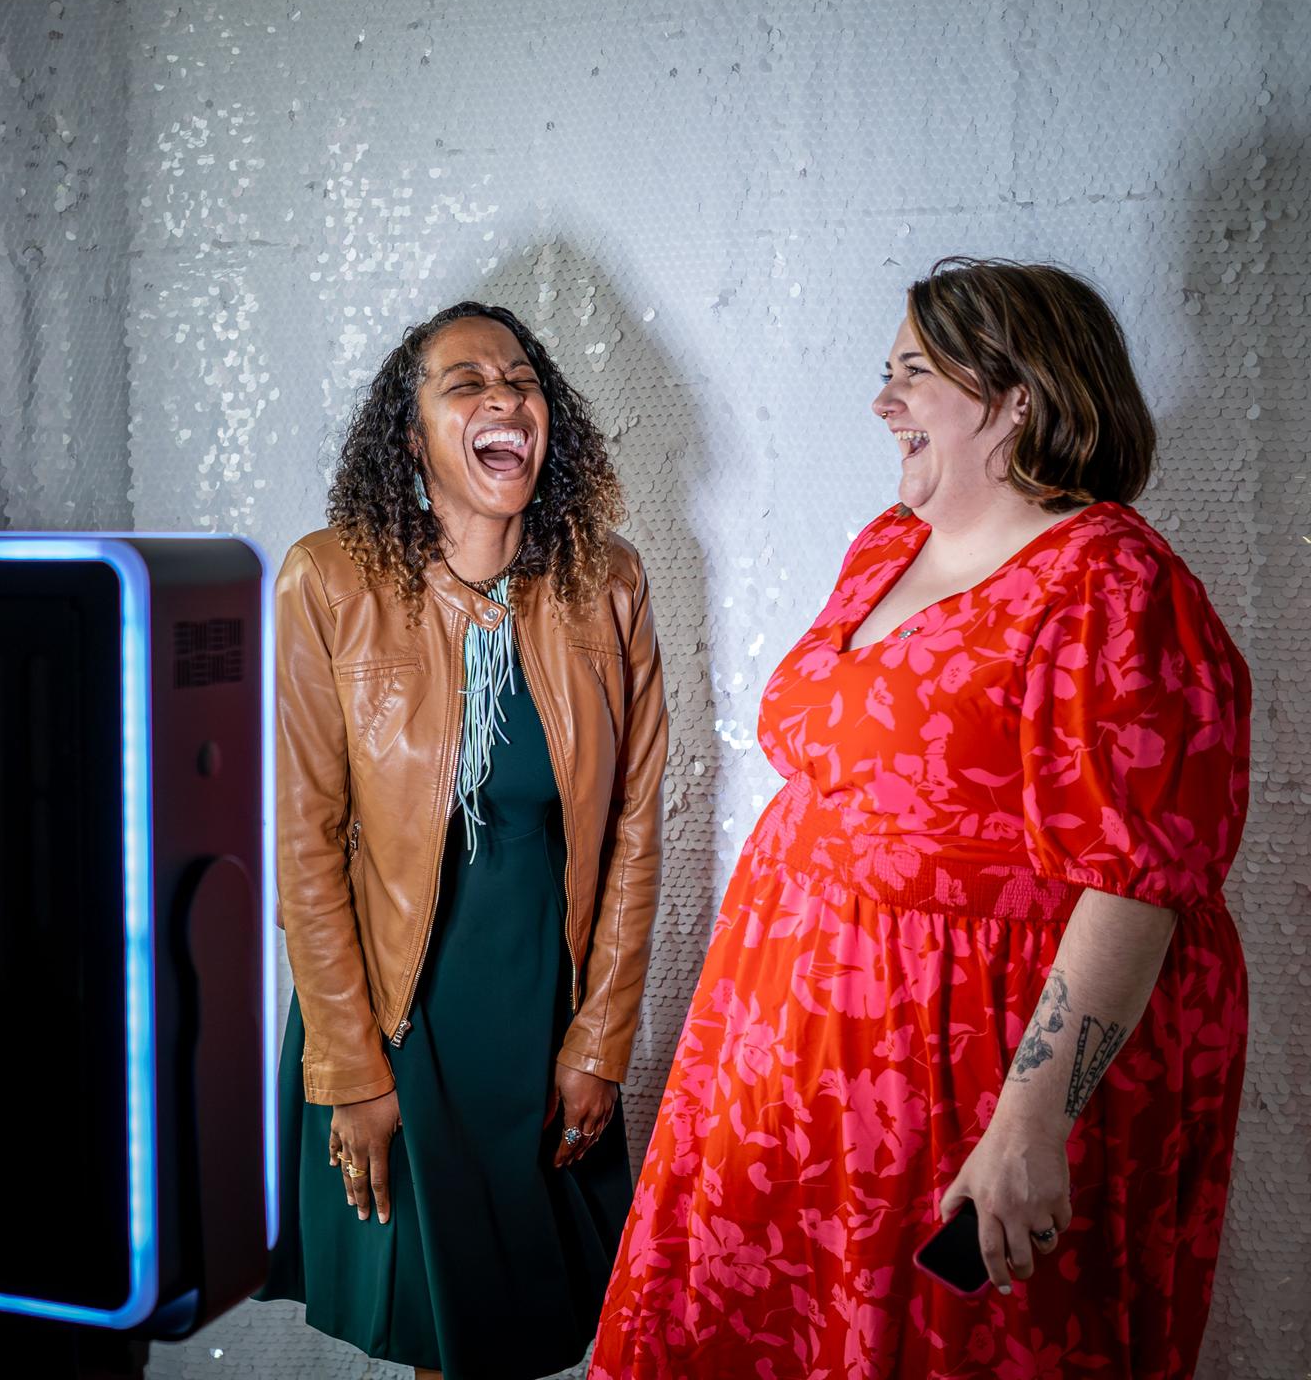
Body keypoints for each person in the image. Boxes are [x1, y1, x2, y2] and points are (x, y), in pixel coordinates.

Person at [591, 258, 1251, 1379]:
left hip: (964, 1077)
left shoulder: (1113, 583)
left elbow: (1141, 877)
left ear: (1016, 398)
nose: (883, 403)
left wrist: (1032, 1121)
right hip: (791, 1058)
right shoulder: (887, 547)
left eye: (912, 374)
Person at [259, 300, 670, 1380]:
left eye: (524, 378)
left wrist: (599, 1042)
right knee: (444, 1329)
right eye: (467, 382)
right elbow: (303, 841)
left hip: (541, 1009)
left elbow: (635, 831)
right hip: (395, 1013)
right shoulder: (328, 580)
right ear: (411, 436)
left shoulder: (608, 582)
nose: (505, 395)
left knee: (517, 1328)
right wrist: (348, 1069)